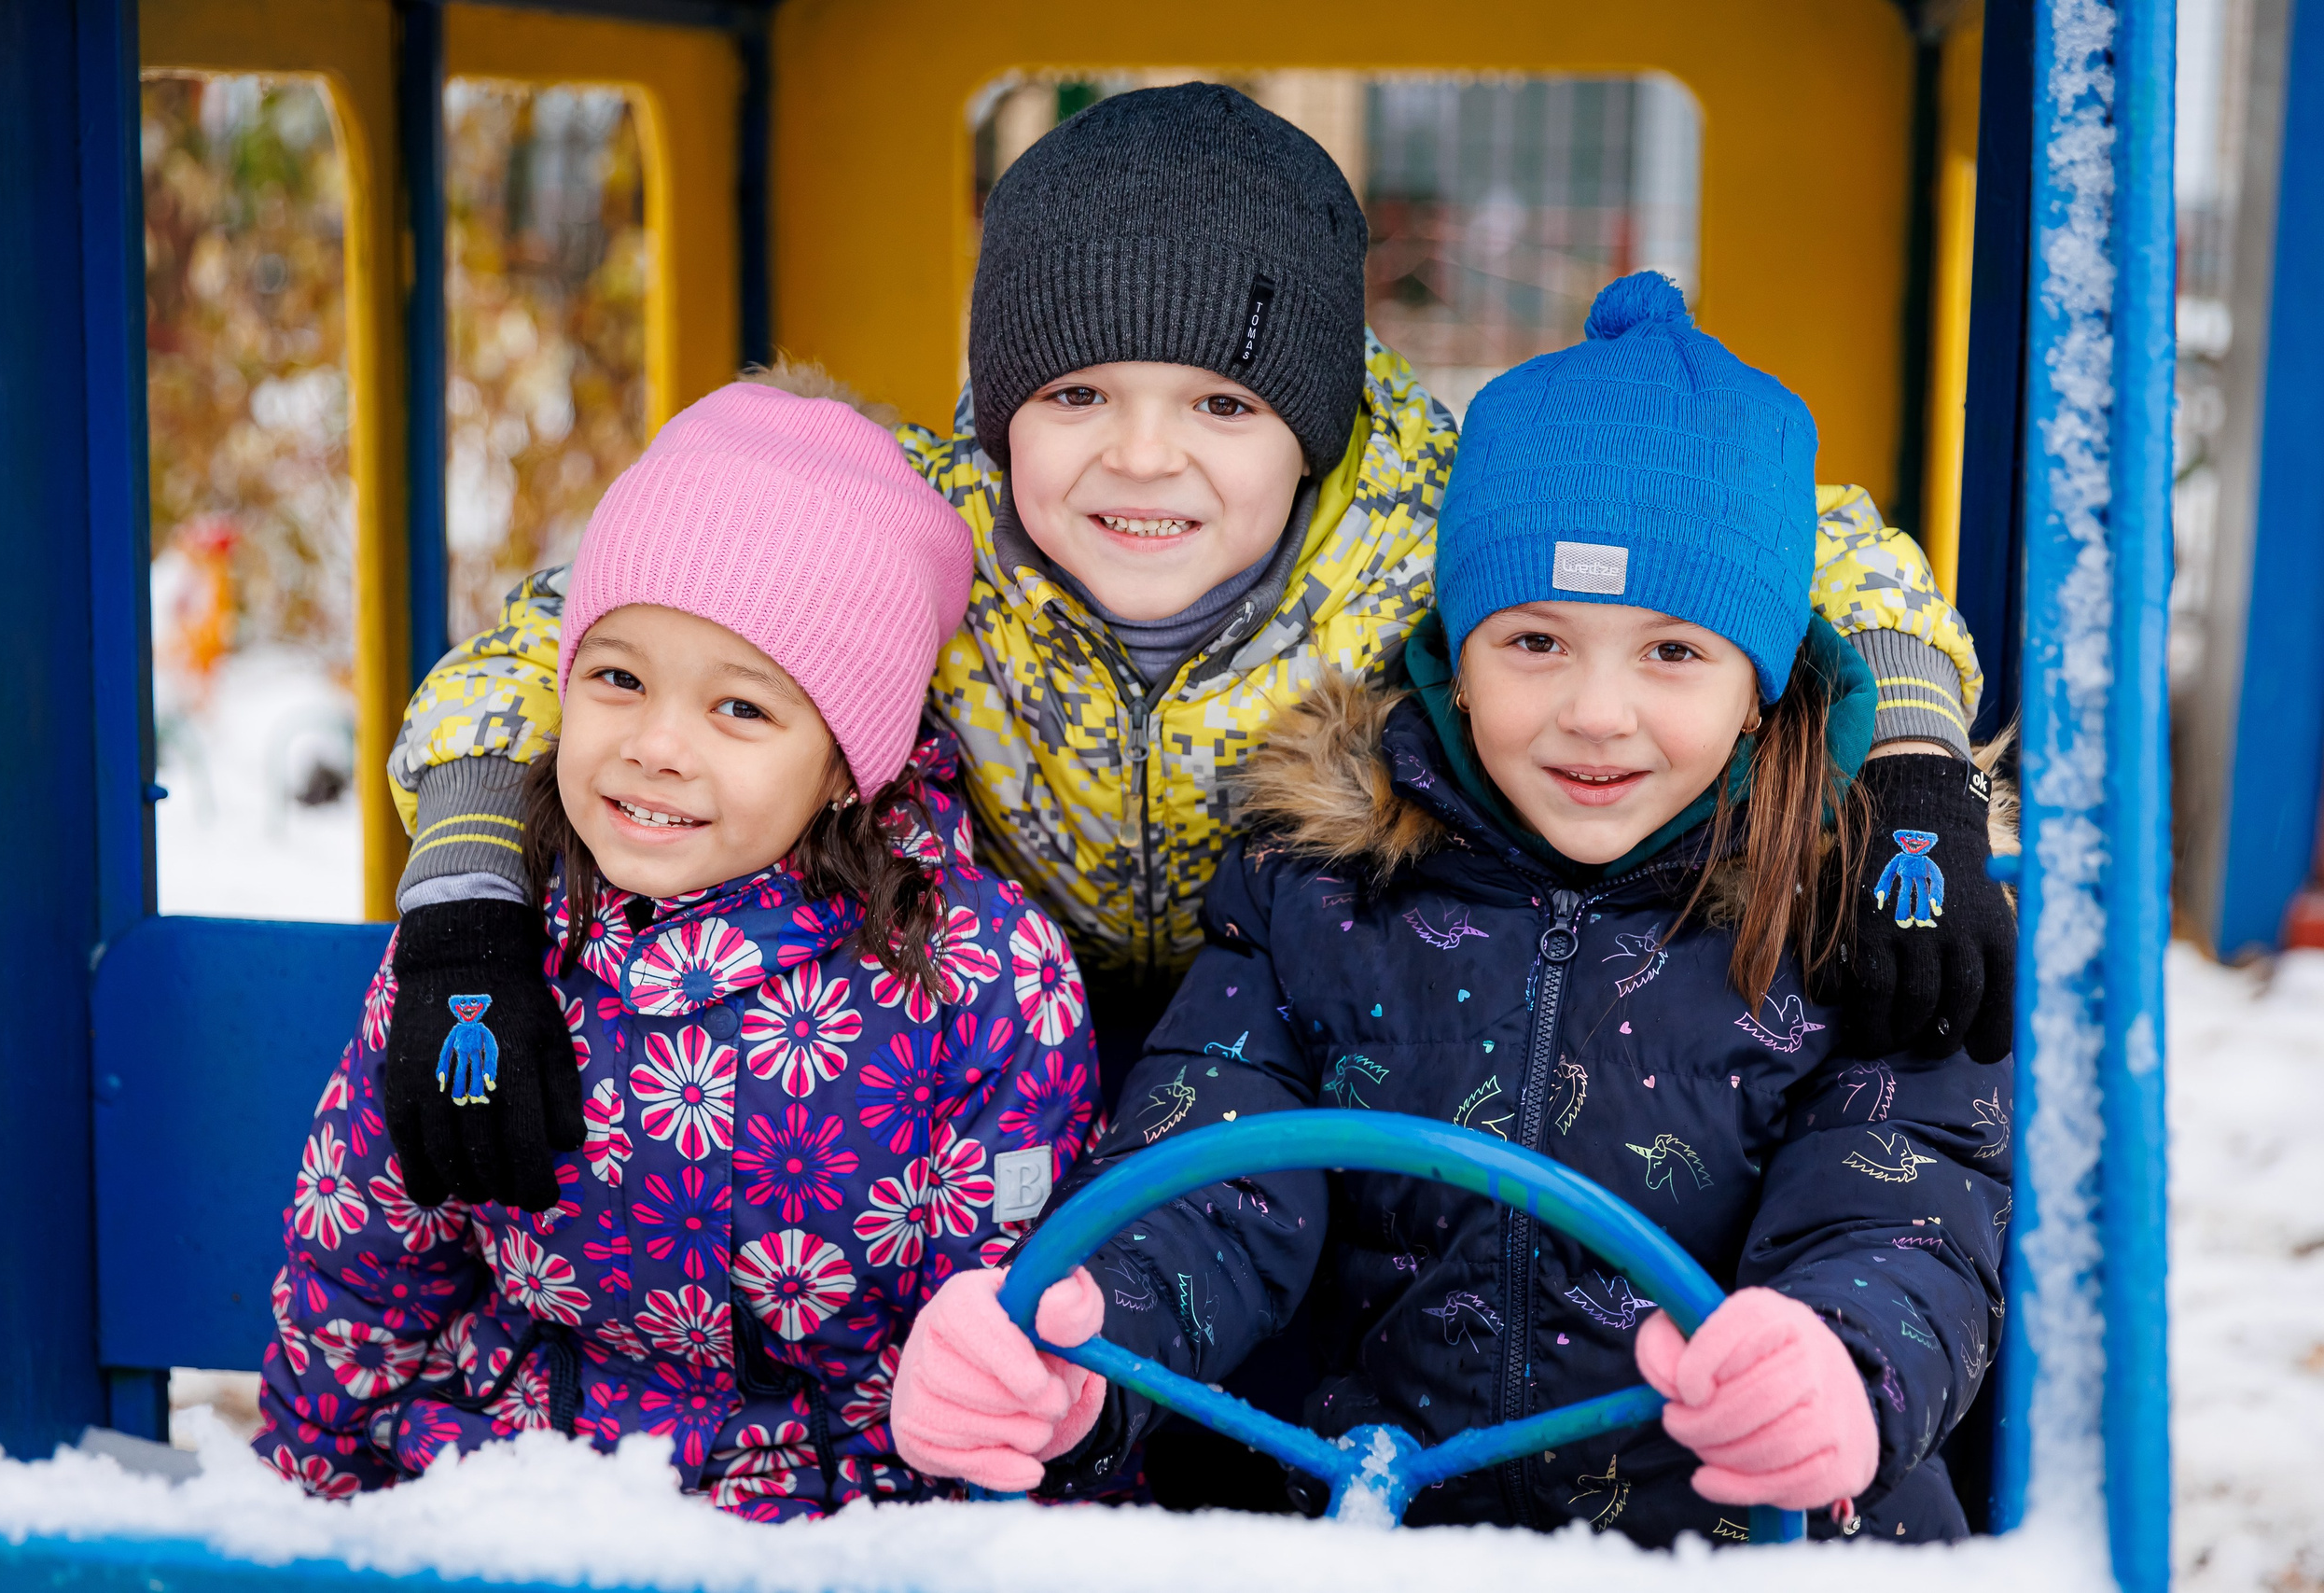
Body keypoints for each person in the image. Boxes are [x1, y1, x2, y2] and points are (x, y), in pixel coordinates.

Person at [372, 83, 2009, 1243]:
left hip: (1325, 1079)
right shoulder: (910, 532)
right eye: (1076, 397)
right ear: (999, 402)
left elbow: (1812, 546)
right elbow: (556, 640)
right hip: (992, 1085)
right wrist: (464, 914)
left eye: (1222, 405)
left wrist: (1918, 768)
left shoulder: (1429, 519)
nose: (1141, 462)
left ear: (1302, 425)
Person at [890, 275, 2011, 1544]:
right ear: (1454, 658)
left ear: (1762, 685)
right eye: (1533, 640)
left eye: (1674, 651)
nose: (1596, 711)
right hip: (1360, 1522)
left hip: (1733, 1541)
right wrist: (1088, 1334)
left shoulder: (1860, 913)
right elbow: (1207, 1163)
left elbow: (1910, 1198)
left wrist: (1841, 1363)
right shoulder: (1320, 880)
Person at [255, 378, 1102, 1517]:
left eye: (740, 709)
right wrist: (306, 1505)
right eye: (617, 678)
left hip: (837, 1529)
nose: (655, 745)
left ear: (853, 760)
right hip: (511, 1502)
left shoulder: (978, 981)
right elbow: (365, 1255)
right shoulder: (503, 945)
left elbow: (1010, 1341)